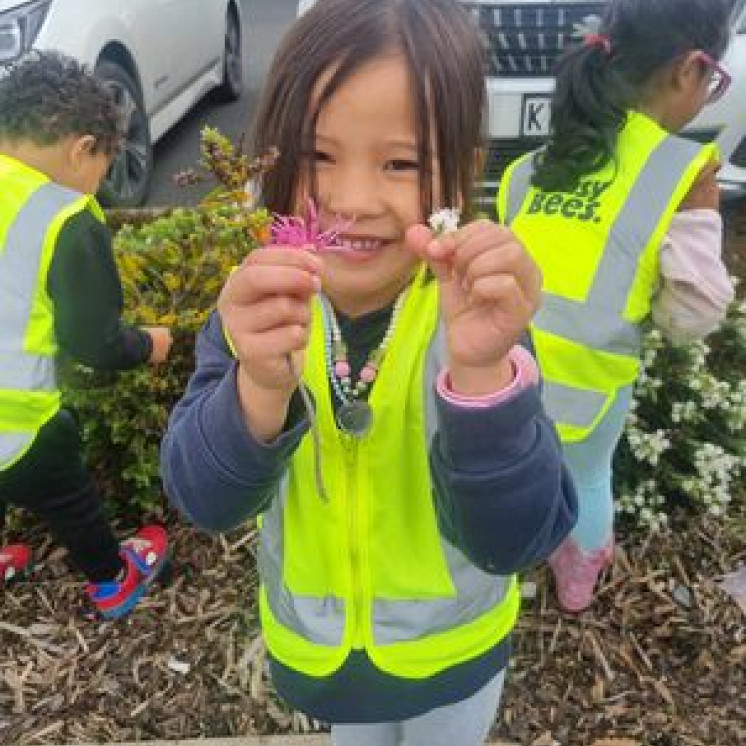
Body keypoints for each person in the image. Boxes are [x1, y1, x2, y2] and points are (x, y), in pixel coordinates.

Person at [161, 1, 577, 744]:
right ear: (272, 159)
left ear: (463, 174)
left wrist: (482, 378)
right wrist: (258, 387)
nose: (350, 201)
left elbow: (518, 539)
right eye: (317, 157)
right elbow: (206, 501)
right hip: (318, 660)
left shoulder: (480, 324)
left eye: (402, 162)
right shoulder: (257, 312)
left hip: (454, 658)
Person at [497, 0, 735, 613]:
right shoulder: (683, 170)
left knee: (509, 474)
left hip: (502, 374)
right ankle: (575, 582)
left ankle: (503, 562)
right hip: (591, 388)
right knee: (588, 477)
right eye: (714, 82)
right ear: (689, 69)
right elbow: (691, 317)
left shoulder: (530, 167)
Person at [0, 52, 172, 618]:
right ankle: (111, 578)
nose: (98, 183)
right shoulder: (63, 216)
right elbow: (93, 341)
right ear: (82, 147)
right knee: (65, 487)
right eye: (103, 165)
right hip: (14, 421)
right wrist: (150, 343)